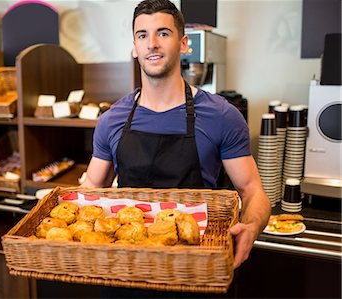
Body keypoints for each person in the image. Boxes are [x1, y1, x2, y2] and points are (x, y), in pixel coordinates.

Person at [81, 0, 271, 295]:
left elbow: (253, 191)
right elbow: (92, 188)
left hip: (195, 269)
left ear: (184, 44)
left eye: (163, 33)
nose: (152, 44)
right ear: (134, 46)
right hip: (127, 272)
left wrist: (251, 227)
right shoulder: (112, 120)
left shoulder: (221, 116)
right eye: (142, 35)